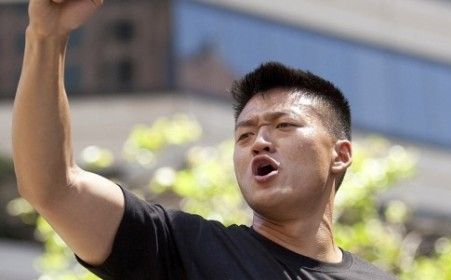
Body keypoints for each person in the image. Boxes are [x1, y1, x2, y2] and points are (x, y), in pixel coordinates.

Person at [12, 0, 396, 279]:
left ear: (340, 154)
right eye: (244, 135)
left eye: (283, 125)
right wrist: (47, 37)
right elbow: (53, 187)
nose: (259, 142)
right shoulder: (186, 247)